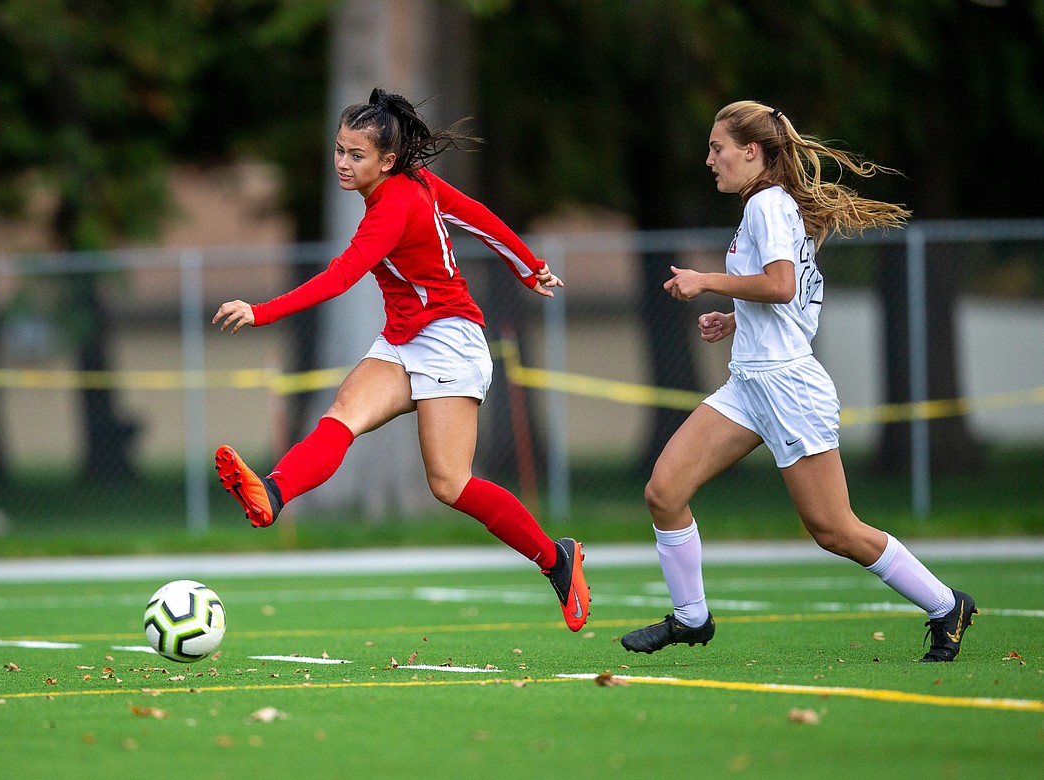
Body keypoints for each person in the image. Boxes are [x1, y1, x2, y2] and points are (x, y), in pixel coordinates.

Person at [211, 88, 590, 632]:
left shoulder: (395, 204)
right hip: (403, 338)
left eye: (356, 155)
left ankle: (557, 560)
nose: (343, 163)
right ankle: (271, 492)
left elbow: (342, 276)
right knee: (342, 416)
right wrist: (528, 266)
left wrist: (262, 311)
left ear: (387, 160)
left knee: (450, 485)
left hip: (450, 340)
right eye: (339, 150)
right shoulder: (415, 183)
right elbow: (477, 217)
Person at [621, 100, 975, 662]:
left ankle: (945, 604)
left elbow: (782, 285)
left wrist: (706, 282)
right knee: (664, 492)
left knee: (834, 529)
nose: (709, 159)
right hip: (749, 384)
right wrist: (737, 318)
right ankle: (692, 617)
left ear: (751, 151)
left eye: (718, 148)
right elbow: (796, 301)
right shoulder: (771, 206)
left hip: (787, 388)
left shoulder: (766, 204)